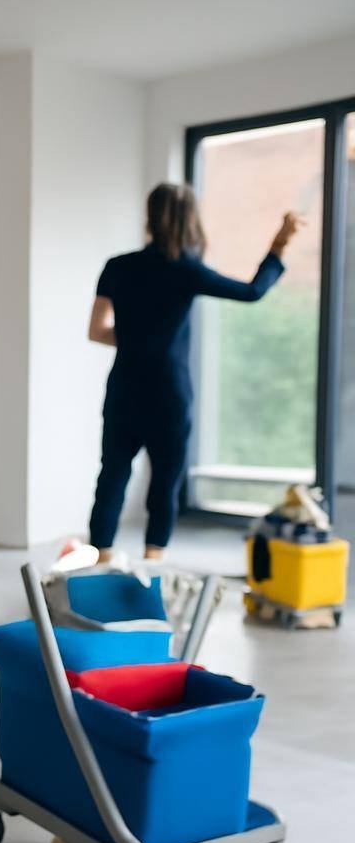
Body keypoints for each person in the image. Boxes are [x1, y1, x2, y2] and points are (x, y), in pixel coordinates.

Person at [87, 182, 301, 561]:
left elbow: (98, 331)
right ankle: (153, 567)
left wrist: (139, 337)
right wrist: (279, 243)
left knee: (112, 477)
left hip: (124, 389)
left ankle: (101, 562)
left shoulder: (117, 266)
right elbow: (253, 291)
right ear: (190, 220)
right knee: (165, 484)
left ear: (150, 217)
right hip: (169, 393)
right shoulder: (188, 271)